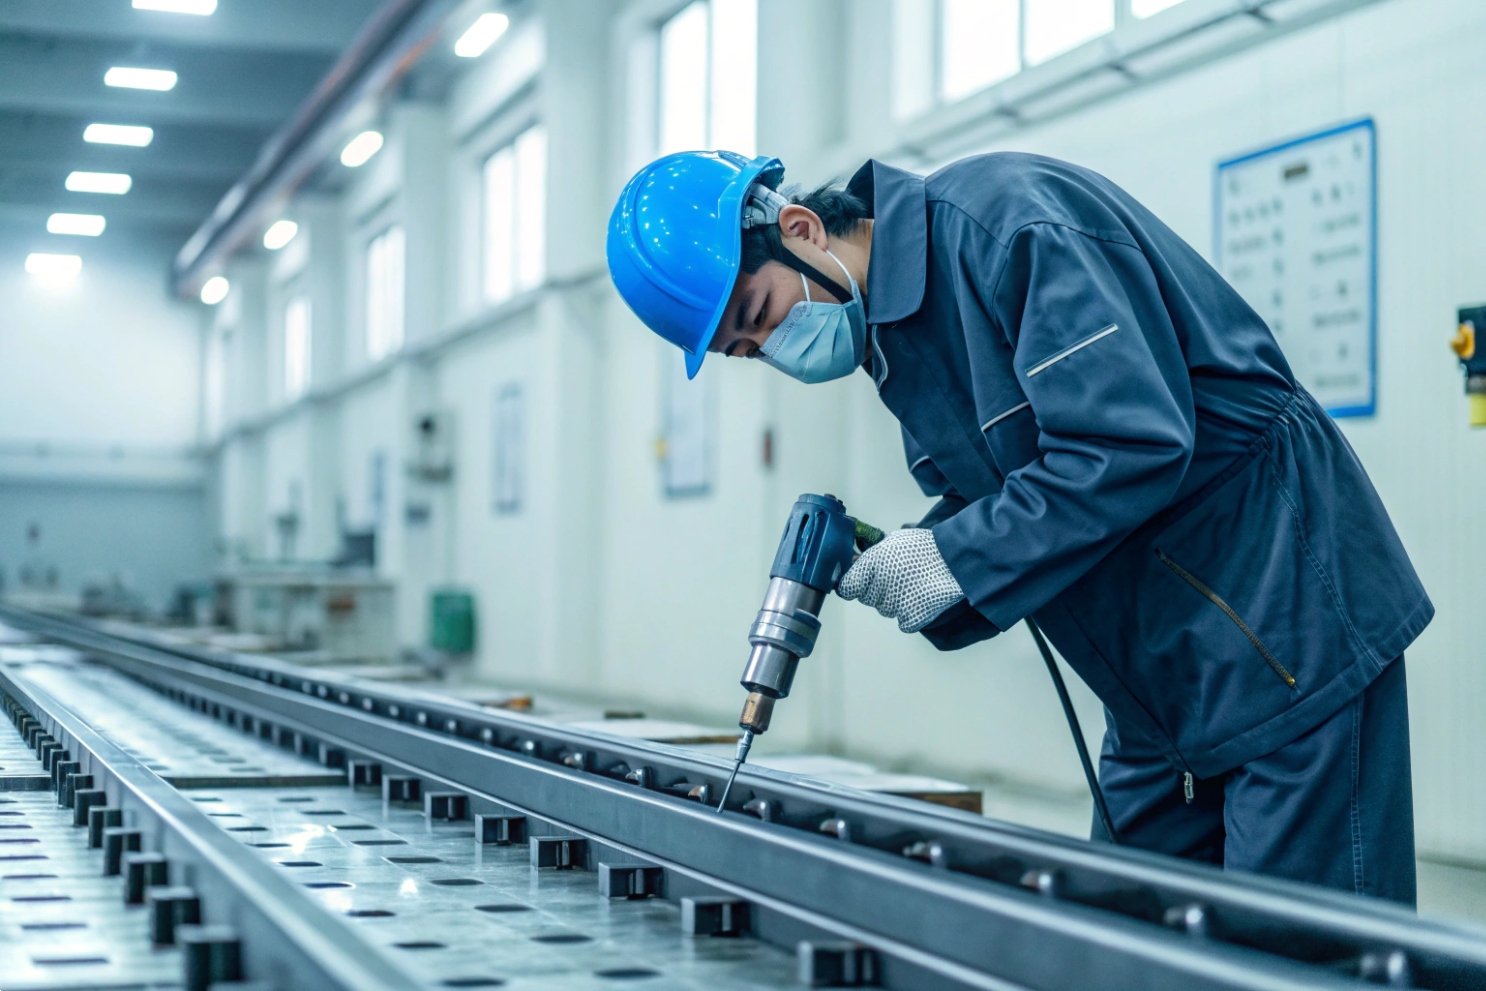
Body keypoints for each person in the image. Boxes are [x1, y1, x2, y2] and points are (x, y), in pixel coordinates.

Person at [605, 150, 1431, 905]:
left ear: (800, 228)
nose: (774, 347)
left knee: (1303, 953)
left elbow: (1130, 440)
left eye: (759, 310)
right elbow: (1013, 493)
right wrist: (910, 558)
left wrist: (951, 558)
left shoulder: (1005, 227)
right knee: (1121, 937)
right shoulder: (897, 340)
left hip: (1284, 628)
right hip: (1161, 683)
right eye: (746, 349)